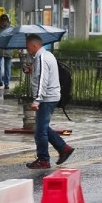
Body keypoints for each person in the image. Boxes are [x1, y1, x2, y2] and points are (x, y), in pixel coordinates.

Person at [23, 33, 74, 169]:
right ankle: (64, 148)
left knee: (40, 130)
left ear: (34, 45)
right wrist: (31, 69)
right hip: (50, 96)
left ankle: (44, 159)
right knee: (43, 127)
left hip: (47, 97)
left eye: (28, 47)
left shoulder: (42, 58)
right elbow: (43, 73)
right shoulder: (46, 56)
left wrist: (37, 100)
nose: (27, 50)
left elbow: (42, 80)